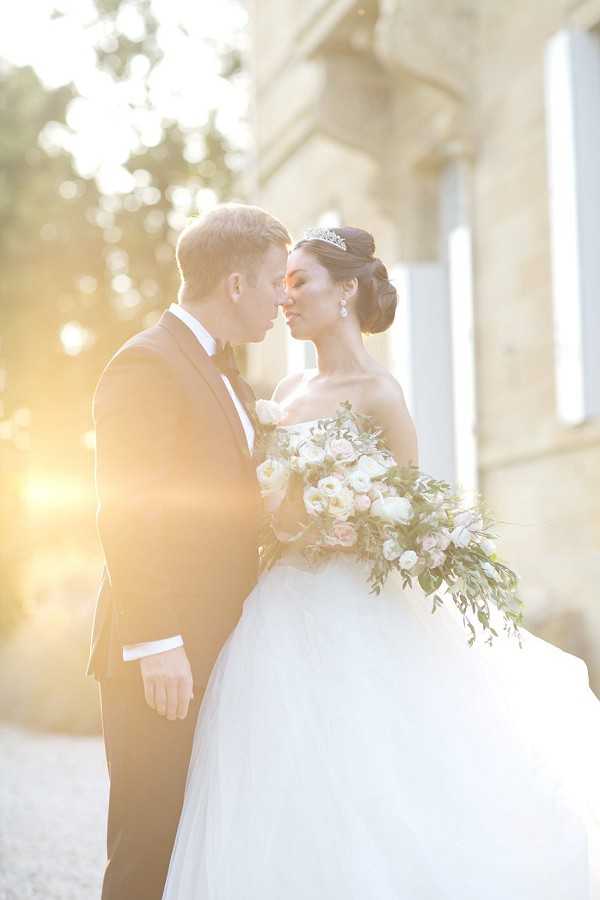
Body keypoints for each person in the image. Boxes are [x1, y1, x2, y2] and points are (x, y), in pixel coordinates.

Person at [163, 225, 600, 899]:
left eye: (298, 282)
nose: (285, 298)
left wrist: (351, 522)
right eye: (281, 284)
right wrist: (283, 512)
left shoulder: (381, 395)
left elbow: (410, 513)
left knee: (370, 779)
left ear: (344, 291)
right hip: (280, 607)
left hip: (357, 614)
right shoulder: (287, 387)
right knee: (281, 779)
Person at [87, 203, 290, 900]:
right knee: (149, 845)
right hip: (163, 652)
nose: (280, 300)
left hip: (221, 642)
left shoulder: (229, 373)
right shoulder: (147, 364)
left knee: (201, 842)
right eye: (272, 282)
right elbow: (129, 507)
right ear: (234, 285)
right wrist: (157, 640)